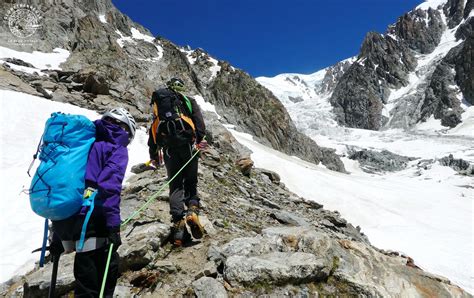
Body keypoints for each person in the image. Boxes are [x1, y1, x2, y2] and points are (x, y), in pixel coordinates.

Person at [50, 107, 136, 297]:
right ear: (126, 130)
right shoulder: (117, 148)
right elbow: (109, 187)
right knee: (103, 276)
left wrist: (56, 233)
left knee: (84, 281)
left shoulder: (85, 141)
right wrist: (114, 226)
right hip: (92, 220)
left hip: (66, 217)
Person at [147, 77, 207, 246]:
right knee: (191, 181)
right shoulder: (188, 101)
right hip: (188, 145)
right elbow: (199, 123)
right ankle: (192, 210)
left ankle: (178, 227)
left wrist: (153, 154)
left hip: (168, 150)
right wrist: (199, 140)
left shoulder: (159, 104)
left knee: (175, 185)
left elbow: (153, 129)